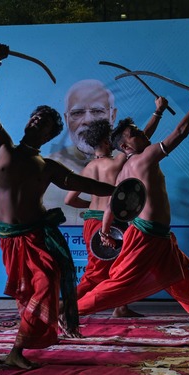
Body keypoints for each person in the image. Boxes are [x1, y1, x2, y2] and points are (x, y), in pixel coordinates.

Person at [0, 44, 116, 369]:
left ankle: (18, 350)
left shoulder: (47, 166)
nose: (36, 121)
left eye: (43, 122)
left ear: (49, 133)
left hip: (36, 237)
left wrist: (119, 192)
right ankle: (26, 340)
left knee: (45, 282)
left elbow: (85, 185)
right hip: (9, 238)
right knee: (27, 292)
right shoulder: (1, 148)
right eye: (35, 117)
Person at [78, 87, 189, 336]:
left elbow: (112, 205)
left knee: (186, 276)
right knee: (117, 286)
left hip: (158, 237)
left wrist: (106, 230)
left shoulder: (126, 167)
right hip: (145, 238)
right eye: (135, 133)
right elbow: (181, 132)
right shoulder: (145, 157)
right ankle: (65, 314)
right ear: (124, 145)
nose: (142, 133)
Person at [65, 97, 168, 318]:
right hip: (109, 222)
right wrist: (157, 113)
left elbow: (69, 200)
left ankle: (121, 307)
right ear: (105, 142)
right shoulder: (117, 162)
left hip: (92, 221)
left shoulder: (88, 168)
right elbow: (141, 140)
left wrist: (89, 206)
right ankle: (65, 309)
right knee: (96, 273)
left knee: (119, 266)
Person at [44, 79, 118, 225]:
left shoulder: (123, 162)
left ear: (113, 115)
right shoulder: (49, 167)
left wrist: (91, 208)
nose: (88, 120)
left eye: (97, 111)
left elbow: (69, 200)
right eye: (77, 113)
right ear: (66, 119)